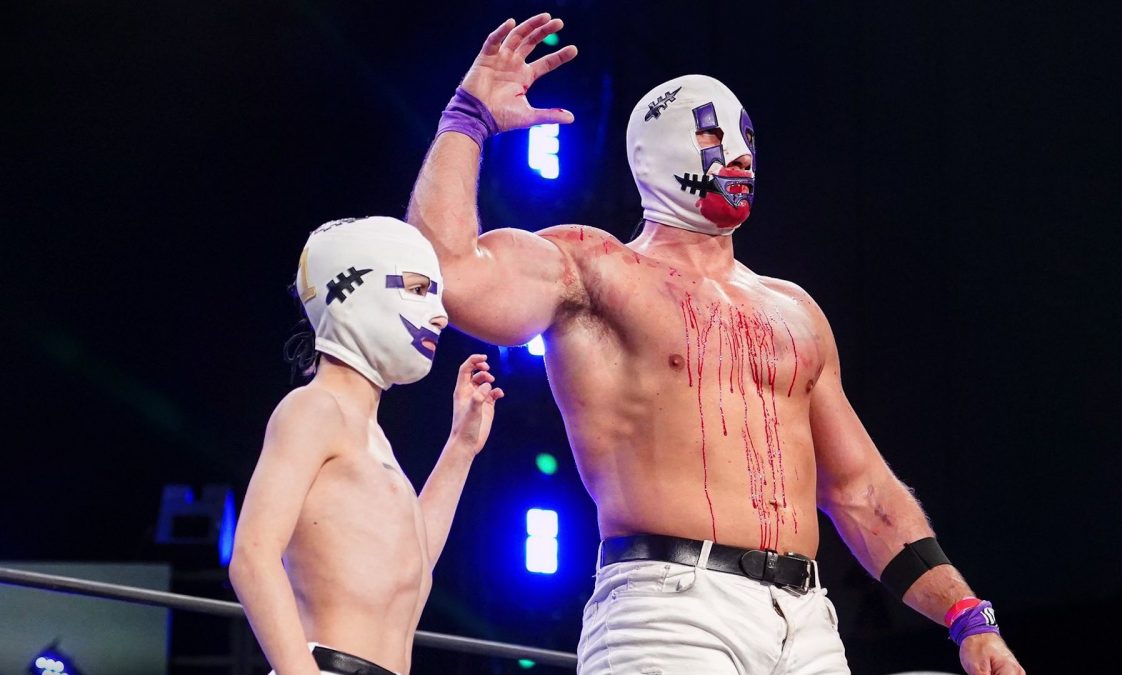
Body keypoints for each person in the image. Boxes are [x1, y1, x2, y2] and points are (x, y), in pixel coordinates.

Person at [405, 13, 1024, 675]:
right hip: (669, 608)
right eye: (711, 135)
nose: (739, 155)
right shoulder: (595, 268)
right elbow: (443, 276)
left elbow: (861, 490)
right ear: (657, 153)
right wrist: (467, 118)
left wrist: (968, 616)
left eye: (747, 139)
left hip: (807, 622)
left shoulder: (793, 310)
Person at [228, 216, 504, 675]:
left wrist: (460, 448)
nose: (440, 315)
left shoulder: (372, 439)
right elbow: (252, 555)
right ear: (351, 290)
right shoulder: (313, 409)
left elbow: (411, 568)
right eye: (418, 289)